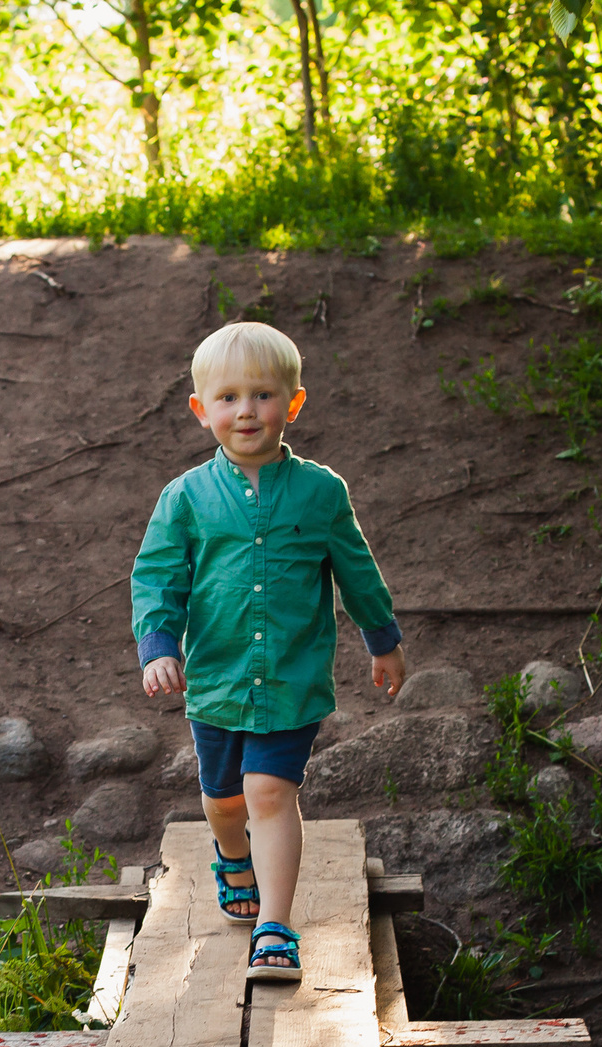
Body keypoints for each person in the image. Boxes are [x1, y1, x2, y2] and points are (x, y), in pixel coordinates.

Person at [131, 320, 408, 984]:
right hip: (218, 680)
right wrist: (158, 646)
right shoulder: (188, 498)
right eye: (228, 397)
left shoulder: (321, 493)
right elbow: (158, 576)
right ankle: (232, 856)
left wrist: (382, 639)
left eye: (262, 394)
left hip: (289, 679)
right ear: (202, 411)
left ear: (294, 402)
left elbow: (356, 570)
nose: (246, 410)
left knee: (270, 792)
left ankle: (275, 928)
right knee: (226, 801)